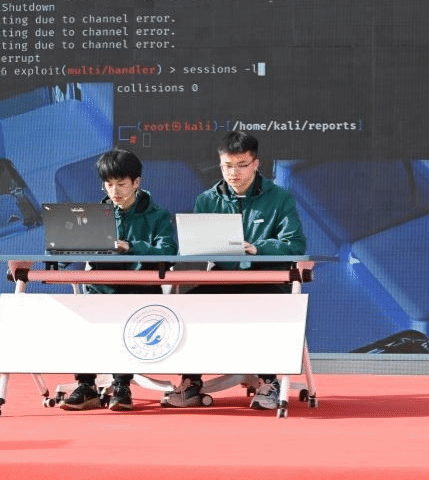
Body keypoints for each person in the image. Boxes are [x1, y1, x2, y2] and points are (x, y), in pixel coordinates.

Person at [162, 130, 307, 411]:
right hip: (223, 279)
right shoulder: (207, 200)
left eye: (241, 165)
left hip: (266, 281)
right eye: (227, 166)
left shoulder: (280, 198)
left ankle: (268, 381)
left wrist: (258, 248)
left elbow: (295, 244)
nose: (234, 173)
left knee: (263, 306)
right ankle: (191, 380)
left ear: (256, 164)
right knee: (187, 305)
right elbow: (198, 246)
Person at [61, 148, 178, 411]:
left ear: (136, 182)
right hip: (100, 290)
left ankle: (121, 385)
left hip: (140, 290)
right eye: (109, 184)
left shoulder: (157, 215)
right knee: (81, 317)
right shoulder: (91, 215)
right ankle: (86, 386)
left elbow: (168, 252)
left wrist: (131, 247)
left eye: (121, 184)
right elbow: (69, 251)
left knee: (125, 319)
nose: (114, 191)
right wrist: (56, 255)